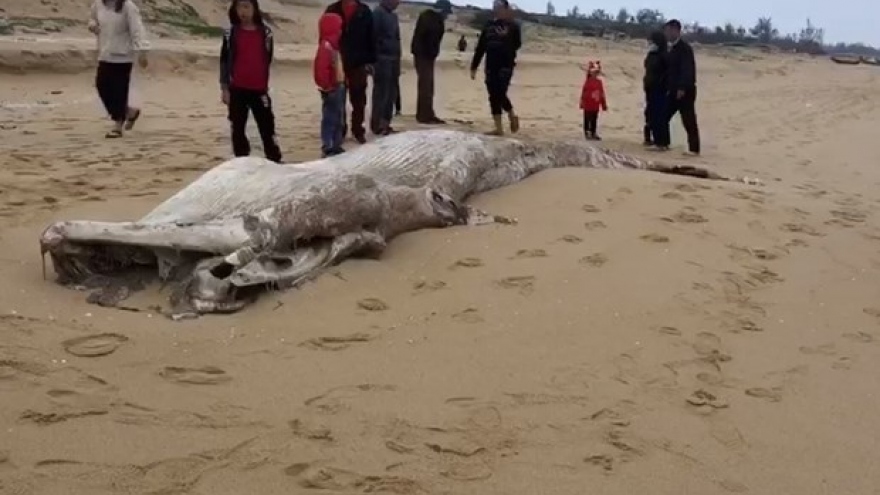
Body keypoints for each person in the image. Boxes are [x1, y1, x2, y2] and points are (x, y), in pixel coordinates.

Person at [219, 0, 282, 163]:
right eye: (240, 7)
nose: (243, 11)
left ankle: (274, 159)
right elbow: (224, 61)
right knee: (237, 127)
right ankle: (241, 161)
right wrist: (224, 88)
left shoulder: (266, 33)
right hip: (237, 88)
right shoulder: (230, 33)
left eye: (247, 6)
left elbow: (267, 58)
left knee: (267, 126)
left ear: (255, 9)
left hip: (259, 89)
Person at [88, 0, 149, 139]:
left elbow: (137, 30)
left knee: (119, 90)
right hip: (104, 53)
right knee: (101, 85)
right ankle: (129, 112)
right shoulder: (98, 4)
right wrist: (92, 26)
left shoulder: (128, 6)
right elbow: (92, 19)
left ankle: (117, 125)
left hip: (123, 56)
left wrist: (142, 52)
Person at [325, 0, 375, 144]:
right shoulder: (332, 9)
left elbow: (371, 37)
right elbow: (325, 33)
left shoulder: (364, 11)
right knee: (338, 99)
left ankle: (358, 130)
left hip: (359, 63)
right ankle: (340, 130)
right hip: (338, 61)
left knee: (359, 100)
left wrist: (370, 61)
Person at [470, 0, 521, 136]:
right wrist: (474, 66)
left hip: (505, 65)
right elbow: (481, 47)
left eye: (499, 7)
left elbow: (517, 44)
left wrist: (507, 50)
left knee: (500, 92)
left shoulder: (513, 26)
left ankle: (511, 114)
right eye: (495, 7)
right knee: (493, 95)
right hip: (490, 65)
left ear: (506, 9)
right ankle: (498, 128)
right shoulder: (488, 26)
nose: (496, 10)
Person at [410, 0, 452, 124]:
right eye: (446, 12)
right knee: (425, 86)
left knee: (428, 86)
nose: (447, 15)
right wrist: (429, 53)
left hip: (427, 56)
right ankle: (424, 115)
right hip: (423, 56)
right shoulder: (430, 19)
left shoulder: (433, 19)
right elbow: (427, 38)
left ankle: (427, 113)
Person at [664, 19, 700, 156]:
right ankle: (663, 143)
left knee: (689, 120)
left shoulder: (685, 48)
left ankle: (694, 149)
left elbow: (687, 70)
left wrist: (682, 88)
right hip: (672, 90)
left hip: (685, 91)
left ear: (676, 31)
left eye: (669, 30)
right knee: (663, 116)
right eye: (666, 30)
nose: (666, 33)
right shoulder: (671, 48)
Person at [314, 12, 347, 157]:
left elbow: (338, 67)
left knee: (339, 117)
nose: (341, 31)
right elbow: (321, 69)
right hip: (331, 89)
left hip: (338, 86)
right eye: (338, 28)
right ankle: (328, 145)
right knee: (330, 118)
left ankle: (337, 144)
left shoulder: (334, 46)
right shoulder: (326, 46)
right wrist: (326, 86)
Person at [369, 0, 402, 135]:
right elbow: (372, 38)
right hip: (382, 59)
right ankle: (377, 125)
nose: (398, 3)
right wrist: (373, 60)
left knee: (391, 93)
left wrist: (398, 59)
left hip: (394, 59)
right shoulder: (377, 13)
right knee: (381, 93)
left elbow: (397, 38)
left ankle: (386, 123)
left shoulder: (393, 16)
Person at [643, 30, 670, 150]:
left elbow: (667, 73)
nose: (650, 43)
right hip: (650, 89)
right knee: (650, 115)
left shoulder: (664, 56)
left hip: (659, 89)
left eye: (652, 41)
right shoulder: (651, 54)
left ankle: (661, 142)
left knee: (659, 116)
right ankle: (655, 139)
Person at [579, 60, 608, 140]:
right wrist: (582, 102)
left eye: (596, 73)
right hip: (588, 104)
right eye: (594, 73)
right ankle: (587, 132)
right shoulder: (587, 82)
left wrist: (603, 104)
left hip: (595, 105)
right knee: (587, 119)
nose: (595, 74)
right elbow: (584, 93)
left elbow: (602, 93)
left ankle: (593, 132)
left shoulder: (599, 82)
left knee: (594, 119)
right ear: (590, 73)